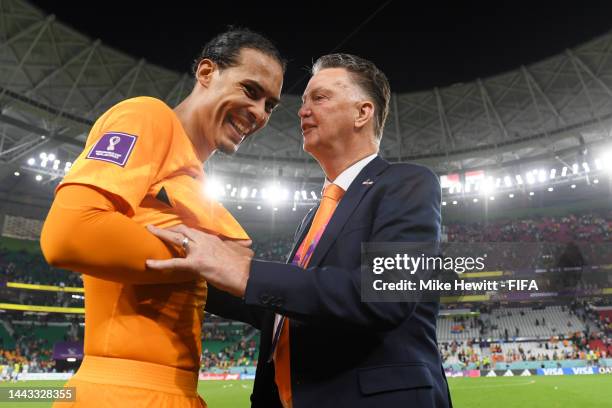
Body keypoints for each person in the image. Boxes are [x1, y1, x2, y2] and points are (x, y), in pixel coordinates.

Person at [147, 54, 452, 407]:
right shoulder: (315, 217)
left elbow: (384, 295)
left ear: (362, 113)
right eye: (304, 100)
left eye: (319, 98)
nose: (302, 110)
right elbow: (280, 310)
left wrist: (245, 270)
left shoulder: (407, 183)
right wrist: (193, 269)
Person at [40, 28, 284, 407]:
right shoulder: (149, 116)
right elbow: (68, 232)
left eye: (270, 105)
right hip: (121, 395)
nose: (259, 113)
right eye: (250, 91)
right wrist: (203, 255)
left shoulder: (191, 178)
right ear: (206, 73)